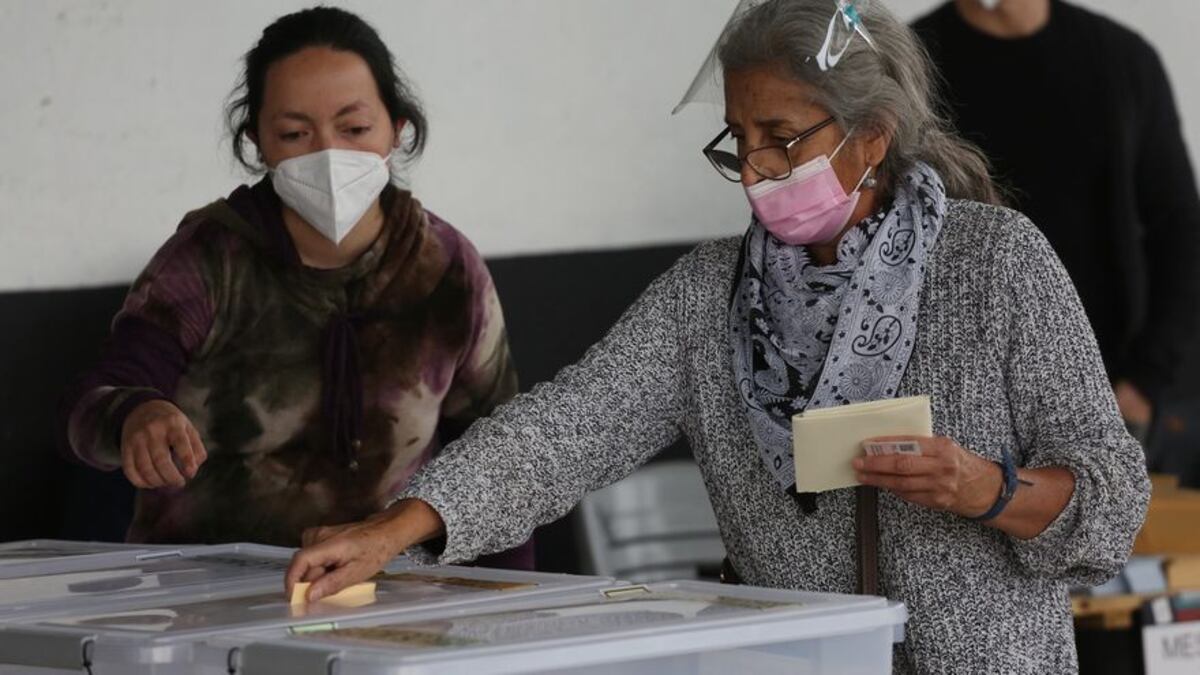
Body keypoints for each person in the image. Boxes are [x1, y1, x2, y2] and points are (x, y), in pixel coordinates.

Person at [287, 1, 1148, 671]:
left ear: (871, 137)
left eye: (783, 137)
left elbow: (1111, 502)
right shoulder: (710, 294)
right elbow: (566, 430)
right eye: (740, 141)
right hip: (795, 665)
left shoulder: (996, 263)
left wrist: (983, 487)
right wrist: (397, 528)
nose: (760, 167)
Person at [61, 7, 532, 569]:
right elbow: (93, 410)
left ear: (397, 130)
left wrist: (507, 609)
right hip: (204, 600)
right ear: (257, 141)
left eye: (354, 129)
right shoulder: (209, 259)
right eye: (293, 133)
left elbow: (500, 459)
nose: (327, 154)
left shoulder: (445, 268)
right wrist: (134, 415)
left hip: (396, 605)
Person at [912, 0, 1200, 443]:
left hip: (1107, 397)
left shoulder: (1121, 60)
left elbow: (1181, 230)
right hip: (957, 406)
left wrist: (1145, 382)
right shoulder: (911, 62)